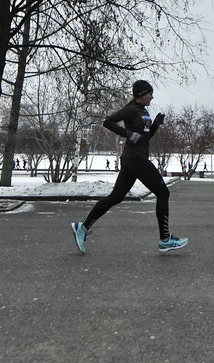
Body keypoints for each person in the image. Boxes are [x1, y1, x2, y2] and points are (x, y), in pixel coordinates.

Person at [71, 80, 187, 254]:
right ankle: (165, 240)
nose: (152, 97)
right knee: (163, 192)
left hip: (133, 159)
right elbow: (108, 122)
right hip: (136, 159)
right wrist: (126, 133)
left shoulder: (143, 111)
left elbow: (145, 138)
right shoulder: (131, 109)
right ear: (141, 95)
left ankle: (83, 227)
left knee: (116, 197)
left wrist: (155, 124)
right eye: (150, 94)